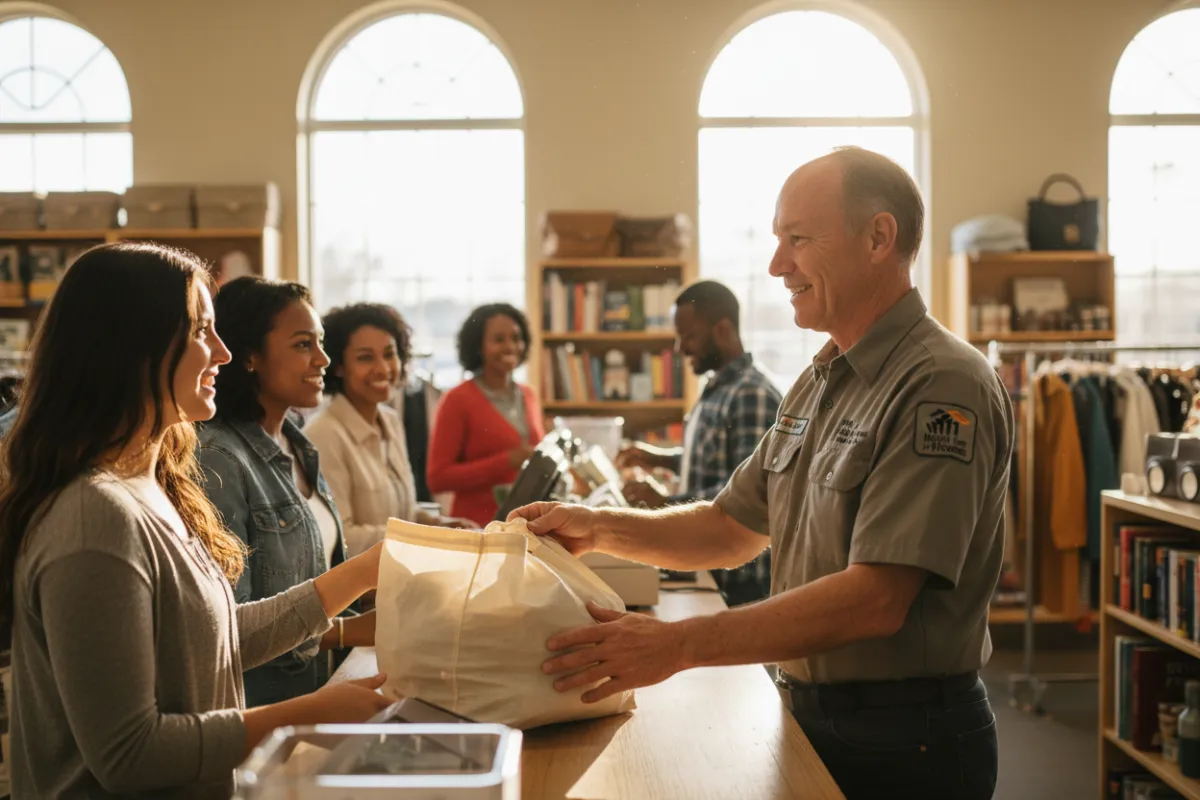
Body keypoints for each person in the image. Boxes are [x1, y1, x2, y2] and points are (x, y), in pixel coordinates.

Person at [511, 147, 1013, 800]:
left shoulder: (938, 381)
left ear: (878, 238)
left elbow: (878, 597)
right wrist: (599, 527)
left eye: (798, 240)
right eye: (778, 241)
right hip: (816, 715)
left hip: (906, 739)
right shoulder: (820, 379)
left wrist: (678, 645)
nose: (778, 266)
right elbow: (730, 527)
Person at [0, 243, 391, 798]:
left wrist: (365, 572)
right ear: (134, 346)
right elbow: (131, 755)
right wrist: (307, 714)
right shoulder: (94, 518)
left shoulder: (150, 485)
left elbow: (210, 639)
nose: (224, 353)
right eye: (201, 330)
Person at [197, 276, 365, 708]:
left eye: (321, 342)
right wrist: (350, 628)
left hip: (317, 694)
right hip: (261, 711)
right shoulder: (220, 460)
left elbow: (312, 586)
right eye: (303, 344)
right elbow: (230, 629)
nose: (324, 359)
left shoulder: (298, 444)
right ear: (250, 356)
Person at [616, 280, 781, 605]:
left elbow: (750, 495)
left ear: (722, 329)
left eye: (688, 336)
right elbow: (723, 459)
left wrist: (667, 500)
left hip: (739, 583)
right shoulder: (718, 387)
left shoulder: (751, 395)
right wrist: (661, 458)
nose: (679, 349)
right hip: (712, 567)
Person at [305, 302, 473, 560]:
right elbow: (342, 535)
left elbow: (399, 512)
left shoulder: (390, 421)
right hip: (361, 593)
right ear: (338, 366)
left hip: (402, 575)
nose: (383, 368)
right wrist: (425, 535)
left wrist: (439, 523)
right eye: (365, 358)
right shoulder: (323, 435)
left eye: (389, 354)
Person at [427, 303, 546, 526]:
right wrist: (505, 461)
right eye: (499, 340)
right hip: (476, 527)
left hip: (527, 528)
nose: (510, 346)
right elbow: (438, 478)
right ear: (478, 347)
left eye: (516, 338)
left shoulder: (528, 395)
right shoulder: (456, 400)